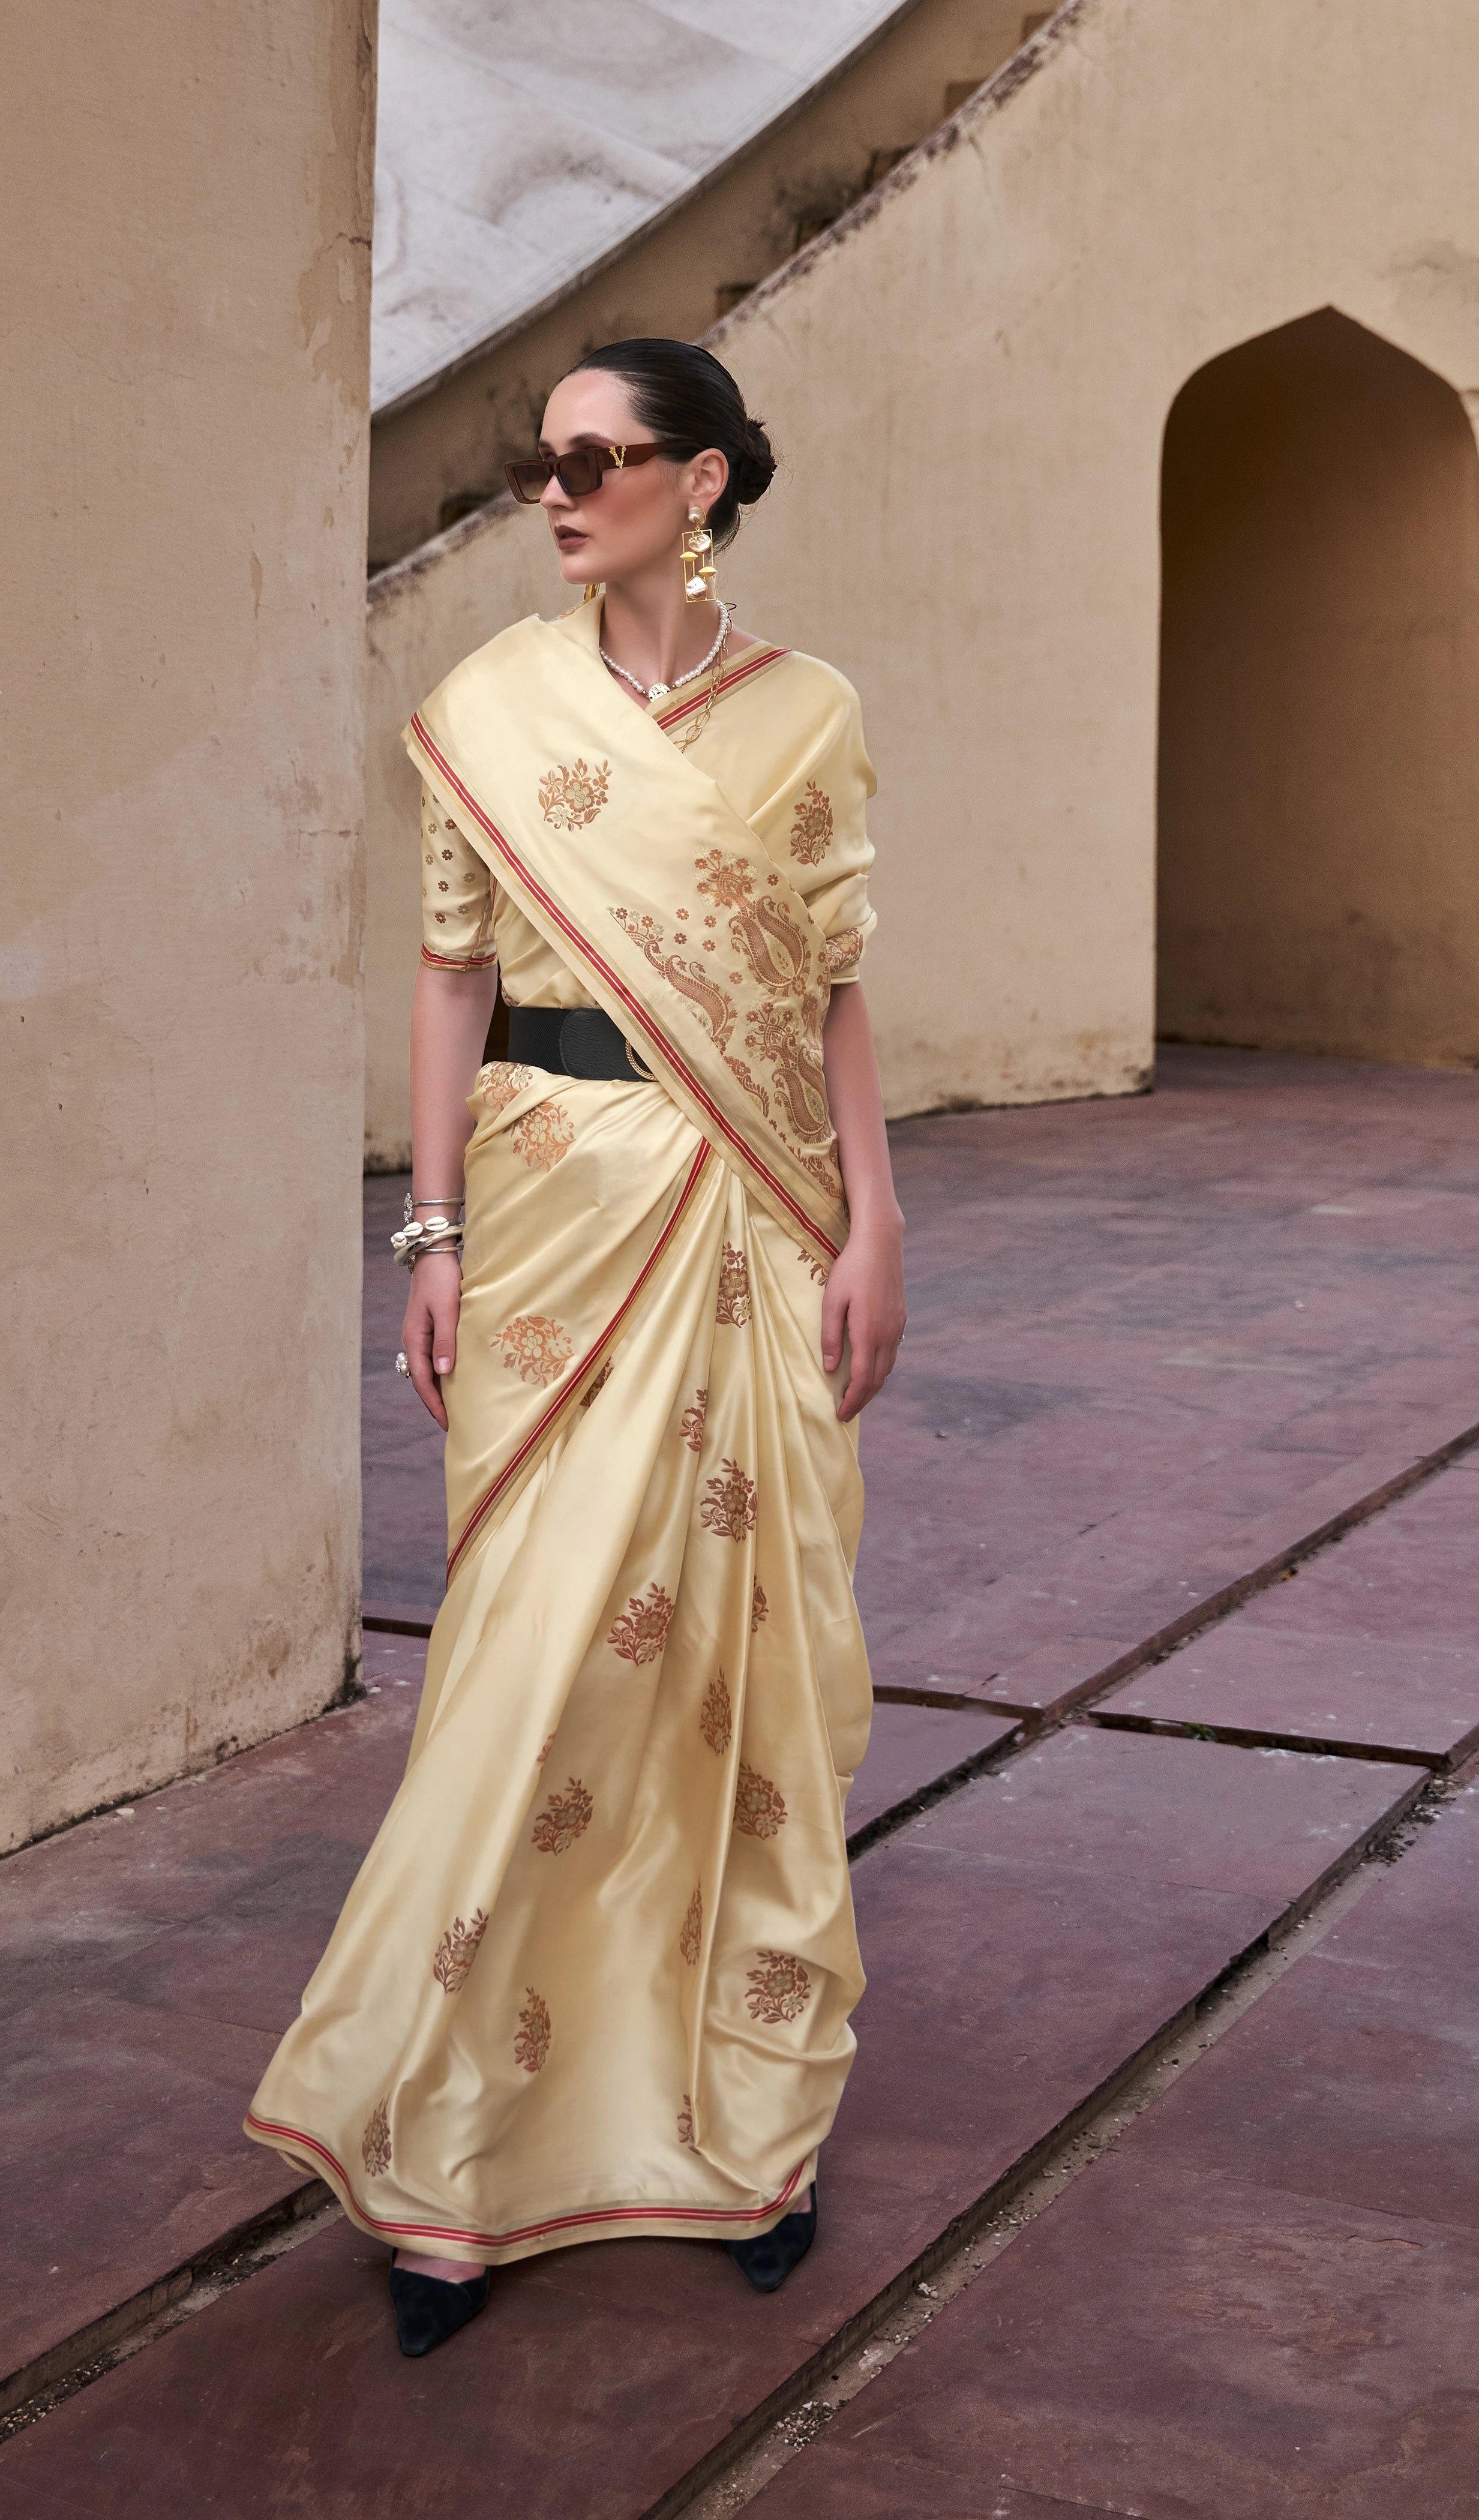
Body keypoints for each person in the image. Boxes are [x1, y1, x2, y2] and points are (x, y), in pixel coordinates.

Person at [245, 338, 906, 2357]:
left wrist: (875, 1215)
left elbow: (830, 992)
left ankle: (730, 2134)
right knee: (528, 1670)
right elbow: (448, 977)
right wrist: (426, 1229)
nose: (556, 492)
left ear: (699, 482)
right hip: (544, 1207)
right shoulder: (486, 711)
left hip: (742, 1201)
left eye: (597, 460)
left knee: (728, 1653)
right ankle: (451, 2148)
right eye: (544, 462)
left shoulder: (807, 719)